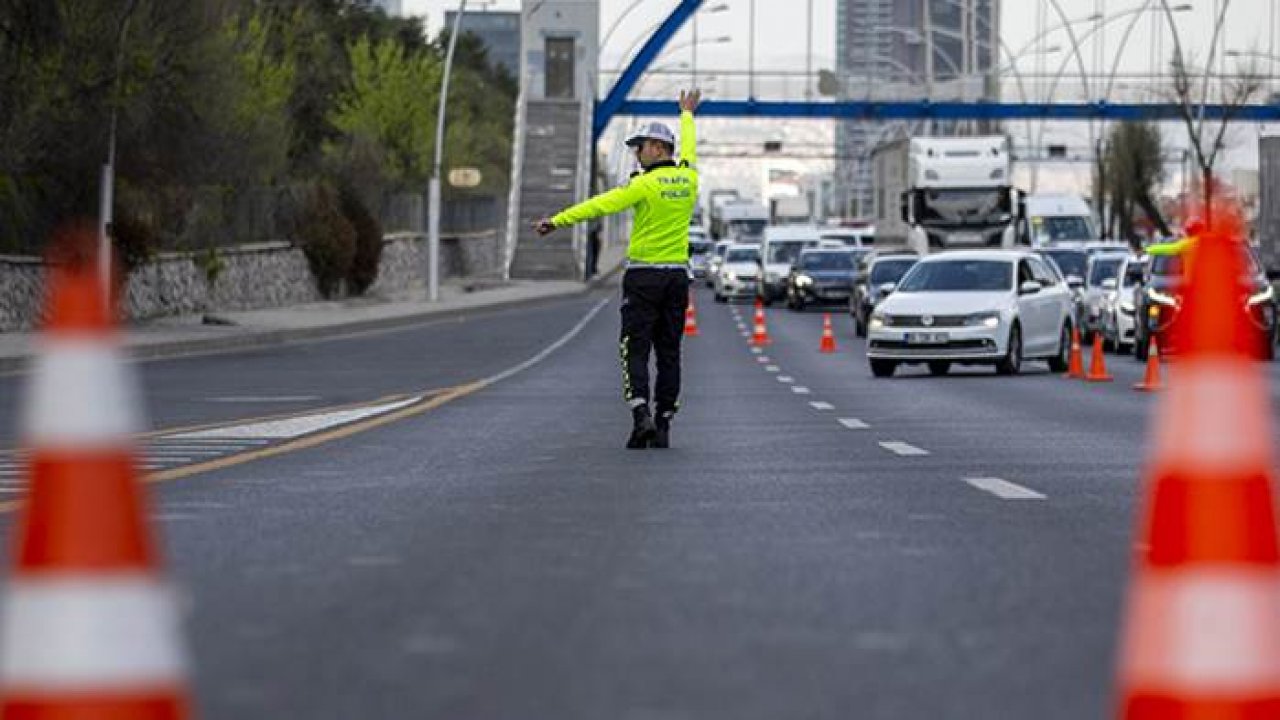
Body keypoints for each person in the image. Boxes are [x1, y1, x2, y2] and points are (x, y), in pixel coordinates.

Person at [534, 89, 701, 449]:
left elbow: (599, 206)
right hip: (676, 278)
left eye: (640, 147)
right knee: (669, 351)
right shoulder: (689, 179)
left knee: (634, 348)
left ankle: (641, 414)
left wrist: (557, 221)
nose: (637, 154)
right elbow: (689, 148)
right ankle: (665, 421)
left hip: (643, 278)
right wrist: (687, 114)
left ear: (657, 148)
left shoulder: (642, 185)